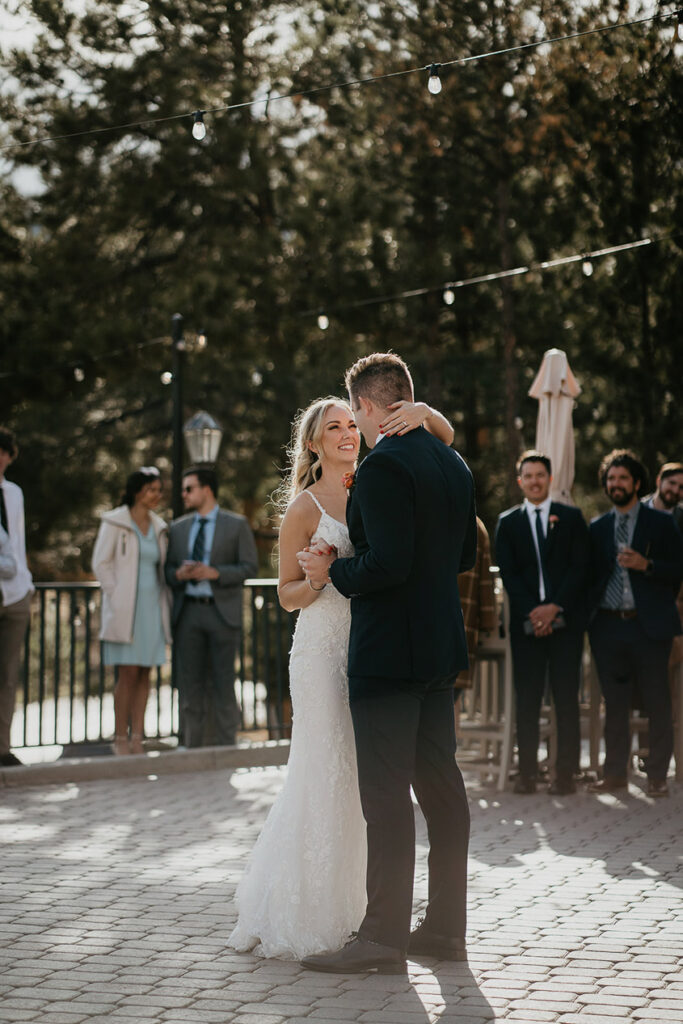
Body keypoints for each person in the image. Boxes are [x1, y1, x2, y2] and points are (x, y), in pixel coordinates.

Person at [229, 394, 455, 960]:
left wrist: (424, 412)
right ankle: (304, 907)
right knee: (323, 772)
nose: (347, 434)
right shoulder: (304, 508)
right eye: (334, 427)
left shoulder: (378, 478)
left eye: (352, 424)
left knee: (365, 785)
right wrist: (319, 580)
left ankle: (362, 908)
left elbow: (444, 444)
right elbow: (286, 596)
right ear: (313, 443)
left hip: (375, 650)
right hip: (323, 652)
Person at [299, 353, 476, 976]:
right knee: (442, 790)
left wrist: (331, 570)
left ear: (370, 407)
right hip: (437, 649)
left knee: (385, 796)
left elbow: (386, 566)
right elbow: (462, 556)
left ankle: (382, 936)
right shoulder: (452, 462)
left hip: (386, 659)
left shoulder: (380, 469)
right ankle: (447, 930)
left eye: (358, 414)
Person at [588, 449, 683, 797]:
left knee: (658, 700)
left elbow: (678, 570)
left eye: (622, 478)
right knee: (615, 704)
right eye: (611, 479)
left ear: (637, 482)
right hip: (608, 626)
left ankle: (657, 774)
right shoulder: (597, 527)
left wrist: (648, 565)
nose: (616, 484)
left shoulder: (661, 523)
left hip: (649, 626)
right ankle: (614, 773)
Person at [495, 451, 589, 795]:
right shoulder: (508, 522)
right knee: (528, 699)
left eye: (540, 475)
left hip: (566, 623)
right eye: (528, 476)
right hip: (526, 626)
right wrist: (535, 612)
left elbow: (580, 568)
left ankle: (565, 775)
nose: (534, 480)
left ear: (550, 480)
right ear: (520, 481)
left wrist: (555, 608)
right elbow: (509, 572)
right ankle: (528, 774)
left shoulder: (571, 518)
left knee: (566, 698)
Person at [165, 466, 258, 748]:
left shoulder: (237, 524)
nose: (184, 495)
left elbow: (249, 567)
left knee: (223, 683)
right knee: (189, 685)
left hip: (222, 613)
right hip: (188, 613)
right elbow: (167, 571)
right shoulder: (177, 529)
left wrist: (214, 573)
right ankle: (192, 747)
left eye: (189, 489)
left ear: (207, 490)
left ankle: (226, 747)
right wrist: (179, 575)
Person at [93, 467, 170, 755]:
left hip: (152, 609)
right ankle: (119, 739)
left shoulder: (160, 526)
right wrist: (116, 595)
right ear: (137, 490)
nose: (156, 495)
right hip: (124, 610)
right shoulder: (114, 522)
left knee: (145, 674)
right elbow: (101, 563)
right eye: (151, 489)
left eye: (159, 490)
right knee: (126, 674)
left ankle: (138, 737)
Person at [0, 427, 34, 768]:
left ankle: (2, 746)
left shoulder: (14, 493)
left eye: (3, 451)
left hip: (16, 591)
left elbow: (19, 541)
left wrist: (28, 584)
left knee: (8, 674)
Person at [454, 517, 497, 728]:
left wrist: (488, 622)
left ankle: (447, 758)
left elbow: (484, 580)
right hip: (458, 626)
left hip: (460, 625)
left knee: (447, 697)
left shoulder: (474, 526)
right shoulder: (476, 525)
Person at [642, 462, 683, 531]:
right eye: (672, 483)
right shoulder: (636, 509)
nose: (675, 491)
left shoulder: (681, 518)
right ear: (659, 481)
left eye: (681, 487)